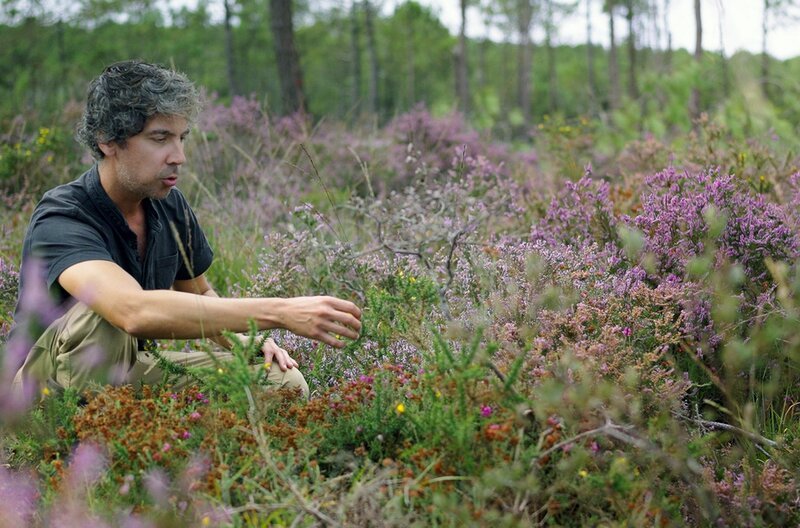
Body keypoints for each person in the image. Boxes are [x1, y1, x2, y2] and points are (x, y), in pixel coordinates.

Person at [11, 60, 361, 400]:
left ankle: (144, 436)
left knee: (283, 384)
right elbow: (132, 311)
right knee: (102, 312)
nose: (179, 156)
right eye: (160, 138)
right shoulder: (63, 215)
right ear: (108, 140)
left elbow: (200, 293)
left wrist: (245, 338)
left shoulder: (169, 205)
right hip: (38, 390)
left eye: (182, 138)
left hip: (125, 372)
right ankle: (86, 438)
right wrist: (281, 312)